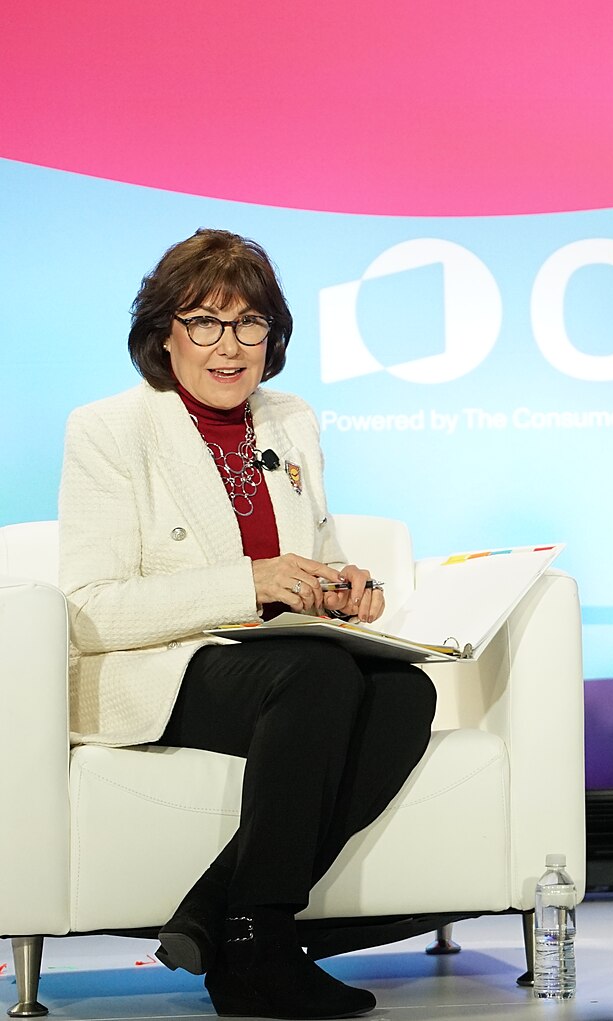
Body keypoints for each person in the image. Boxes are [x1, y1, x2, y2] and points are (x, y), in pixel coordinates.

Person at [59, 229, 437, 1018]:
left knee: (404, 693)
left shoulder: (291, 418)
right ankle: (262, 939)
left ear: (274, 335)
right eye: (204, 321)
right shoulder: (109, 429)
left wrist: (340, 586)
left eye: (250, 324)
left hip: (283, 661)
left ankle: (214, 917)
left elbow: (315, 552)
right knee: (319, 674)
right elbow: (89, 607)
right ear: (164, 333)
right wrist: (249, 582)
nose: (229, 348)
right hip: (159, 666)